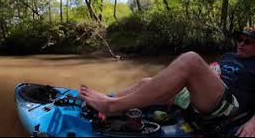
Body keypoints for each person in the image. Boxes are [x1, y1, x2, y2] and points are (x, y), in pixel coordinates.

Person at [79, 26, 255, 137]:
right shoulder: (229, 55)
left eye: (247, 41)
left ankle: (111, 105)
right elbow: (213, 67)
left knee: (191, 60)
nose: (241, 43)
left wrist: (253, 123)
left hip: (230, 104)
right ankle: (107, 101)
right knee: (145, 82)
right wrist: (213, 68)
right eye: (239, 39)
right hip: (208, 92)